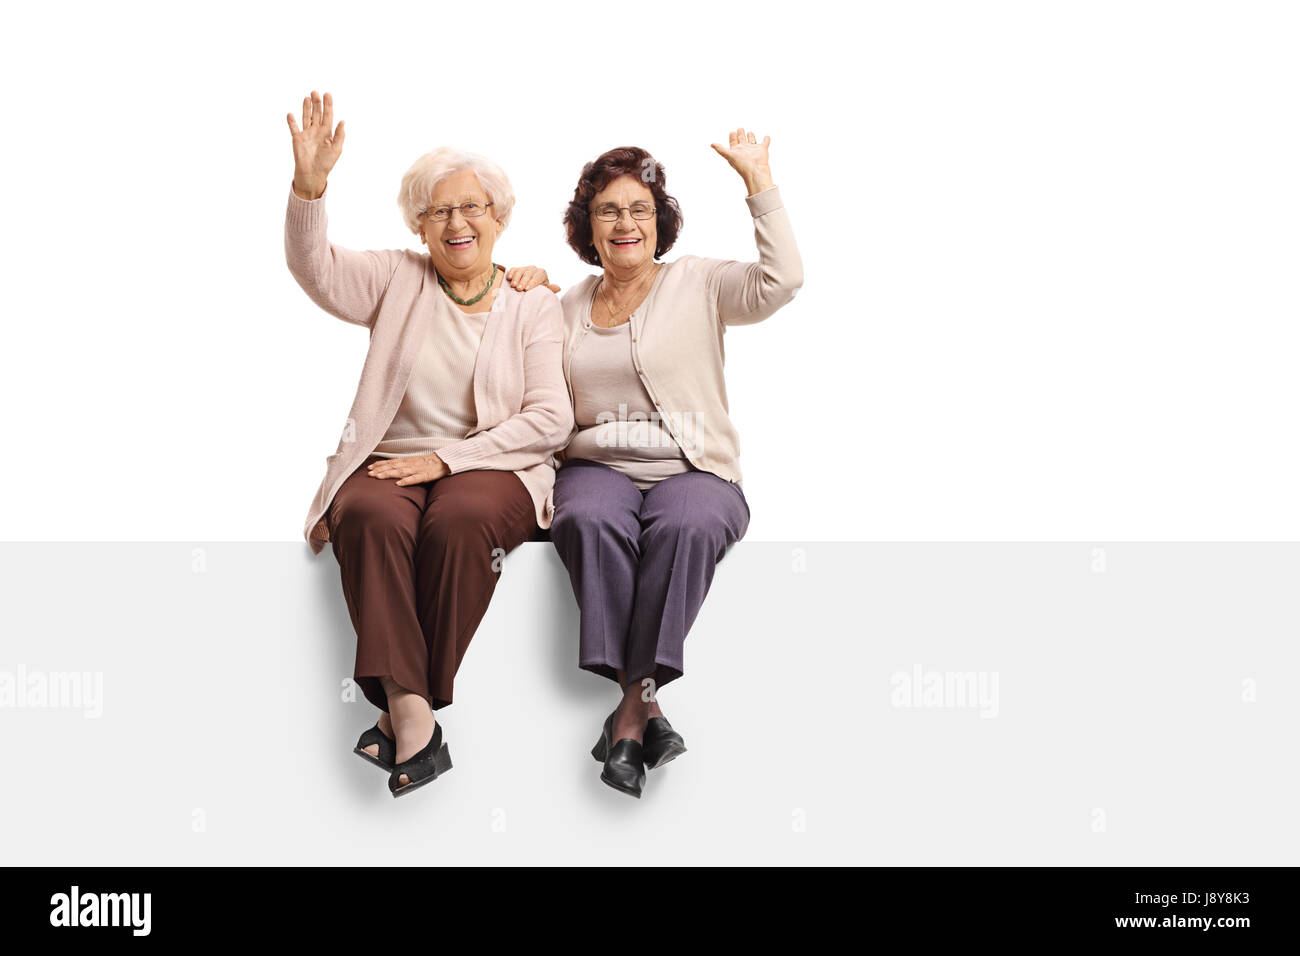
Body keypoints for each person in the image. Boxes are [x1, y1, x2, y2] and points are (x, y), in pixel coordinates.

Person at [284, 91, 573, 797]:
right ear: (420, 227)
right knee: (370, 514)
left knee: (462, 517)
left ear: (498, 218)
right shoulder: (395, 278)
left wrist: (448, 460)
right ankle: (416, 716)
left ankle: (404, 705)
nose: (458, 221)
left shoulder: (532, 302)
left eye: (473, 206)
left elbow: (550, 420)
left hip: (494, 463)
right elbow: (315, 268)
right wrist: (309, 188)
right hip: (392, 460)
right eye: (440, 210)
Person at [550, 129, 803, 798]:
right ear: (588, 226)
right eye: (609, 210)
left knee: (688, 527)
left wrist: (759, 181)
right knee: (583, 518)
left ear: (659, 221)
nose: (625, 222)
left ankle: (630, 712)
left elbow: (784, 281)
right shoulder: (566, 305)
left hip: (692, 468)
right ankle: (644, 710)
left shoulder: (700, 282)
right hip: (595, 467)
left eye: (639, 209)